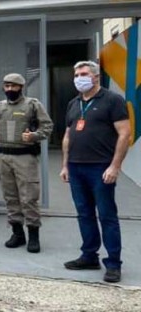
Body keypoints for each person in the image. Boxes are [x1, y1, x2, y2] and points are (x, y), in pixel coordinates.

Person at [60, 60, 131, 283]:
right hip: (76, 167)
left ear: (96, 77)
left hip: (101, 167)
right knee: (84, 213)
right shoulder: (74, 103)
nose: (78, 78)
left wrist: (115, 166)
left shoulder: (113, 100)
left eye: (83, 73)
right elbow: (68, 135)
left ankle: (113, 264)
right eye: (76, 74)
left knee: (107, 215)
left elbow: (124, 134)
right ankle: (89, 255)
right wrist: (65, 164)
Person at [0, 73, 53, 253]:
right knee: (10, 197)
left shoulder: (33, 104)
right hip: (3, 157)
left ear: (21, 87)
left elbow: (47, 126)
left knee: (29, 197)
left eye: (13, 86)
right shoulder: (0, 107)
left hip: (25, 157)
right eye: (6, 86)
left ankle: (33, 236)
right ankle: (17, 234)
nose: (9, 89)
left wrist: (34, 136)